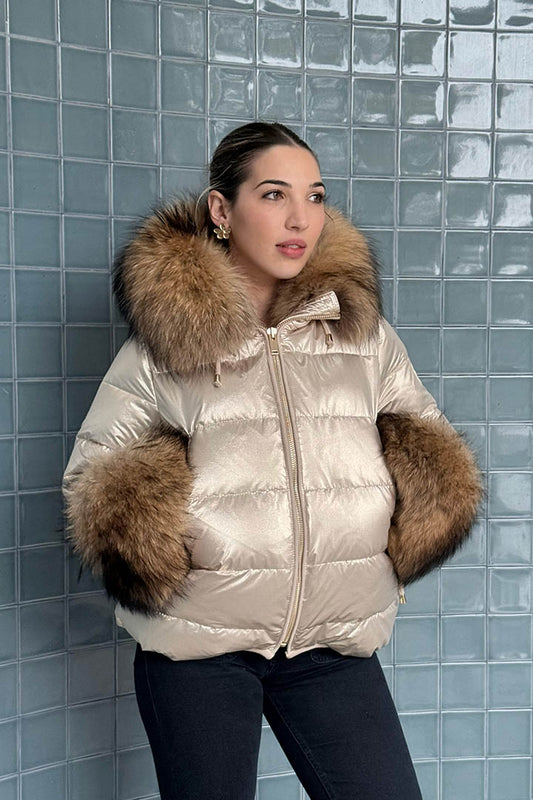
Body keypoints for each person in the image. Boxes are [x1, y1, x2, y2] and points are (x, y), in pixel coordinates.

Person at [62, 121, 483, 800]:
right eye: (273, 194)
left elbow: (429, 450)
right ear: (221, 210)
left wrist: (381, 551)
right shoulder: (167, 344)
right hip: (201, 649)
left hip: (330, 644)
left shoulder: (362, 336)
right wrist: (179, 557)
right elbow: (95, 478)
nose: (299, 218)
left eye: (314, 196)